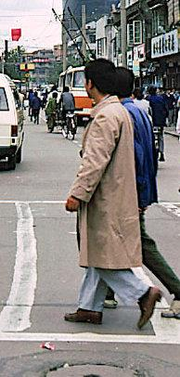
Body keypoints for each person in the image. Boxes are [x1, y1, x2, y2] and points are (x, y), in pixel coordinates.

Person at [64, 59, 160, 329]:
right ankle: (89, 308)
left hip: (105, 197)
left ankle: (143, 293)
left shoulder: (105, 116)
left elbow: (94, 161)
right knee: (99, 252)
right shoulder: (118, 111)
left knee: (104, 255)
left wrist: (78, 194)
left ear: (90, 83)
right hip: (117, 193)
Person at [101, 68, 180, 319]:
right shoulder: (138, 110)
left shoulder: (123, 114)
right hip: (139, 188)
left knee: (138, 244)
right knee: (111, 241)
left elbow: (135, 157)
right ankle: (106, 295)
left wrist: (137, 193)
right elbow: (151, 155)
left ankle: (175, 290)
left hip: (130, 191)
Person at [147, 86, 168, 162]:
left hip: (152, 121)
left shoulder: (148, 99)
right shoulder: (161, 98)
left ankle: (152, 153)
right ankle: (162, 153)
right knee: (161, 137)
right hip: (160, 121)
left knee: (151, 137)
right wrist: (165, 117)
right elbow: (166, 108)